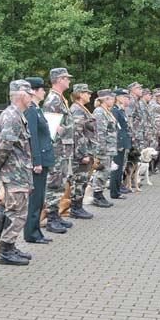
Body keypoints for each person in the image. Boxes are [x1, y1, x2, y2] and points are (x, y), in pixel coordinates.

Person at [0, 80, 35, 265]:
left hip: (20, 172)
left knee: (19, 212)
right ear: (21, 95)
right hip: (14, 173)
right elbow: (5, 146)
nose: (32, 98)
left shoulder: (18, 115)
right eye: (30, 95)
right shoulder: (11, 116)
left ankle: (9, 245)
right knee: (14, 212)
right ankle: (5, 249)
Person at [42, 68, 75, 234]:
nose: (69, 81)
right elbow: (50, 126)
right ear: (58, 80)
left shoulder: (60, 99)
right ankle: (51, 217)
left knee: (60, 182)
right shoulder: (53, 100)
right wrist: (60, 130)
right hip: (57, 149)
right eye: (66, 78)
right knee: (54, 183)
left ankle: (56, 214)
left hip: (63, 148)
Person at [23, 77, 54, 244]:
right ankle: (31, 233)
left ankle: (36, 231)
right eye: (42, 89)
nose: (44, 92)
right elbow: (33, 137)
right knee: (35, 200)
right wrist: (37, 161)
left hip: (44, 156)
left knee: (40, 198)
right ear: (34, 91)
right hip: (39, 159)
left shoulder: (37, 109)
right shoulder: (31, 110)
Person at [69, 83, 95, 219]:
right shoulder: (77, 110)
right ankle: (75, 208)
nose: (89, 95)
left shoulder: (82, 109)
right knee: (79, 180)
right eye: (86, 93)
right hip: (80, 152)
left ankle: (78, 206)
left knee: (83, 180)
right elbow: (77, 133)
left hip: (86, 149)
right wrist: (82, 154)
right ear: (79, 94)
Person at [90, 89, 117, 208]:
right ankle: (97, 195)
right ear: (105, 99)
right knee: (101, 172)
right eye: (111, 99)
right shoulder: (99, 112)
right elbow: (99, 132)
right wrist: (100, 150)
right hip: (103, 148)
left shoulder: (107, 111)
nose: (113, 101)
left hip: (109, 147)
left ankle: (100, 194)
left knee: (105, 172)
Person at [110, 88, 133, 199]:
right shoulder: (115, 111)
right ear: (118, 98)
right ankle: (114, 192)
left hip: (123, 142)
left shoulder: (121, 110)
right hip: (118, 143)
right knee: (116, 168)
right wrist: (118, 144)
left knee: (119, 168)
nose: (126, 99)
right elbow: (115, 129)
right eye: (124, 97)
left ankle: (118, 189)